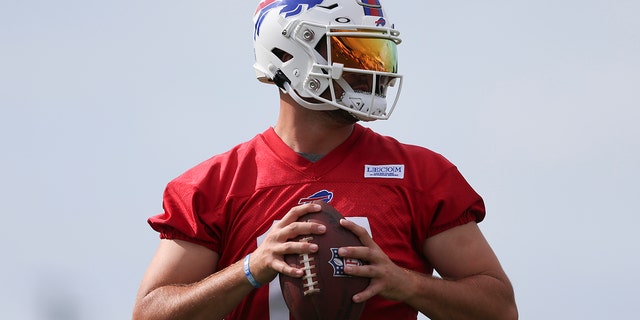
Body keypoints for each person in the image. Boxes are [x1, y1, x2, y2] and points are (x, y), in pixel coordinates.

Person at [133, 0, 518, 319]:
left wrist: (405, 282)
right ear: (289, 54)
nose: (372, 71)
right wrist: (252, 268)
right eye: (351, 50)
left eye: (376, 53)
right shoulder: (215, 185)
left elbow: (500, 309)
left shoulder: (422, 176)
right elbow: (149, 313)